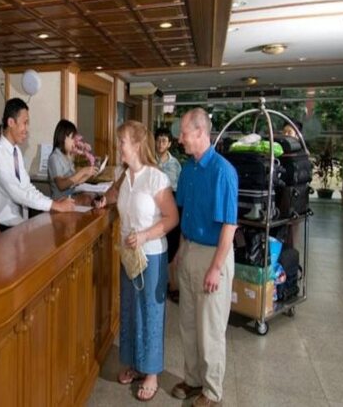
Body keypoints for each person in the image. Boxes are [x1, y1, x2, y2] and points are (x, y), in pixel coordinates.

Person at [95, 121, 178, 402]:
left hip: (151, 254)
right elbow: (114, 194)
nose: (119, 146)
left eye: (122, 142)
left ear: (137, 145)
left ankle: (151, 372)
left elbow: (172, 218)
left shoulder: (156, 178)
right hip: (129, 255)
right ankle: (132, 362)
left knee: (150, 312)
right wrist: (101, 201)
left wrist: (144, 235)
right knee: (130, 309)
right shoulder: (124, 175)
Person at [172, 108, 238, 407]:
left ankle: (212, 391)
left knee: (210, 328)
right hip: (189, 250)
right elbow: (185, 213)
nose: (180, 138)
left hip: (213, 255)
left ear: (200, 132)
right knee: (188, 323)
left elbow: (229, 226)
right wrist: (180, 251)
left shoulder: (223, 171)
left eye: (184, 133)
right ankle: (193, 379)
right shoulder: (188, 170)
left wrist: (216, 268)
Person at [0, 98, 75, 230]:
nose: (27, 129)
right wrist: (54, 205)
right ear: (11, 122)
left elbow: (27, 187)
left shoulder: (16, 151)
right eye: (25, 123)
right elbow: (17, 193)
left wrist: (52, 203)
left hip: (19, 223)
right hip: (3, 226)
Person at [155, 127, 182, 300]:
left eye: (164, 141)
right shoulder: (149, 160)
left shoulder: (175, 164)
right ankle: (159, 283)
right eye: (158, 140)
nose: (160, 144)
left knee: (171, 246)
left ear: (169, 144)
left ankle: (173, 285)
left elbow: (179, 188)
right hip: (154, 209)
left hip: (170, 207)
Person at [48, 119, 98, 199]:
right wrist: (82, 172)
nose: (74, 142)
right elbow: (61, 185)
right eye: (72, 138)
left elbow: (74, 182)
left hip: (71, 196)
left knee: (93, 196)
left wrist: (88, 174)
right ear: (63, 137)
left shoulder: (67, 156)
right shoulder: (55, 158)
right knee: (88, 199)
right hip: (60, 200)